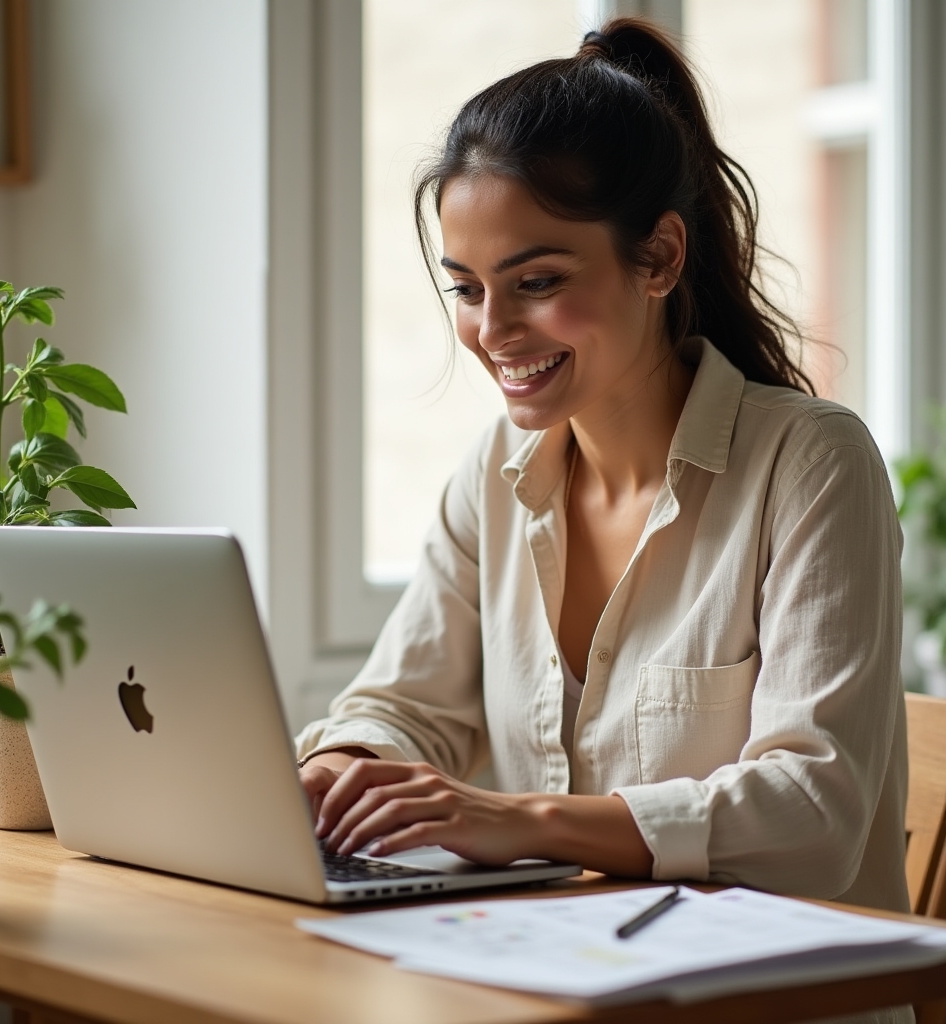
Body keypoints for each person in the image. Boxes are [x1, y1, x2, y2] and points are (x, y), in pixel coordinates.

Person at [295, 16, 908, 932]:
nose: (492, 332)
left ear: (658, 257)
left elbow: (815, 810)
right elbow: (403, 705)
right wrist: (340, 768)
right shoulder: (495, 474)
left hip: (766, 987)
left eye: (537, 282)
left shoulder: (812, 464)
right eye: (466, 288)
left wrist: (523, 821)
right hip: (565, 968)